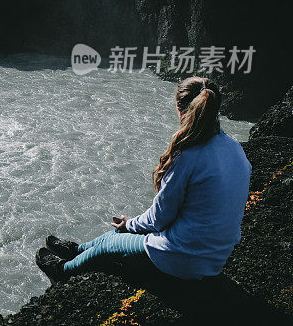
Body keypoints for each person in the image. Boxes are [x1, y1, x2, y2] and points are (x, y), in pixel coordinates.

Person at [36, 76, 252, 284]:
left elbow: (160, 217)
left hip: (184, 259)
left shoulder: (187, 156)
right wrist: (130, 226)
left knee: (111, 243)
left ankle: (62, 271)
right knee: (122, 232)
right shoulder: (235, 149)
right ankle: (78, 250)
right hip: (215, 258)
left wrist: (130, 224)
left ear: (181, 110)